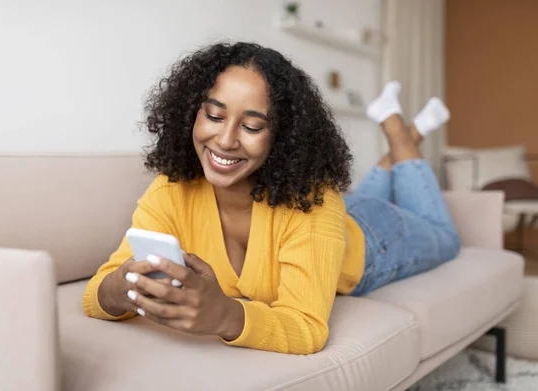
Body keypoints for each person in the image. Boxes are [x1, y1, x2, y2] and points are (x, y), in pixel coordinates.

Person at [83, 42, 460, 355]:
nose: (226, 140)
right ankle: (413, 133)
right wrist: (122, 288)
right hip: (332, 223)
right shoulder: (171, 190)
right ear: (191, 115)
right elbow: (93, 294)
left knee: (446, 236)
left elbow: (307, 328)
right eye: (214, 116)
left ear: (281, 135)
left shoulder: (314, 201)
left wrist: (225, 316)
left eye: (251, 126)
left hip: (374, 240)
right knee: (355, 201)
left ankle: (398, 132)